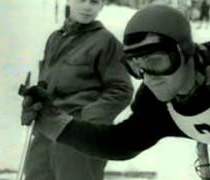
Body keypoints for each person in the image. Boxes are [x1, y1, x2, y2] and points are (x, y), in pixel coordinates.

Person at [21, 5, 210, 180]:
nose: (149, 78)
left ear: (185, 51)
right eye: (135, 66)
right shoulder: (160, 103)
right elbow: (119, 142)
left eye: (156, 61)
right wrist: (54, 121)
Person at [20, 0, 133, 180]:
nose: (87, 6)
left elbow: (121, 90)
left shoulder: (106, 42)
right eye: (82, 0)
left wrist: (86, 121)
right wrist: (34, 102)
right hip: (46, 132)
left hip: (79, 138)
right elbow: (46, 84)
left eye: (94, 2)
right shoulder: (55, 39)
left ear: (102, 5)